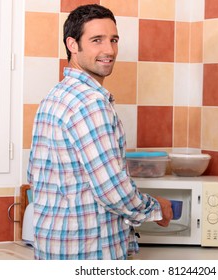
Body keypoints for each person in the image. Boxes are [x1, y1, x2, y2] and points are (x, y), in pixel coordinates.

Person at [27, 4, 173, 260]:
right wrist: (155, 208)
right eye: (97, 40)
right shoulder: (90, 102)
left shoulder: (55, 96)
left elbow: (38, 176)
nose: (109, 50)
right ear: (72, 44)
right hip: (88, 251)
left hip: (55, 247)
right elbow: (112, 190)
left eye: (113, 40)